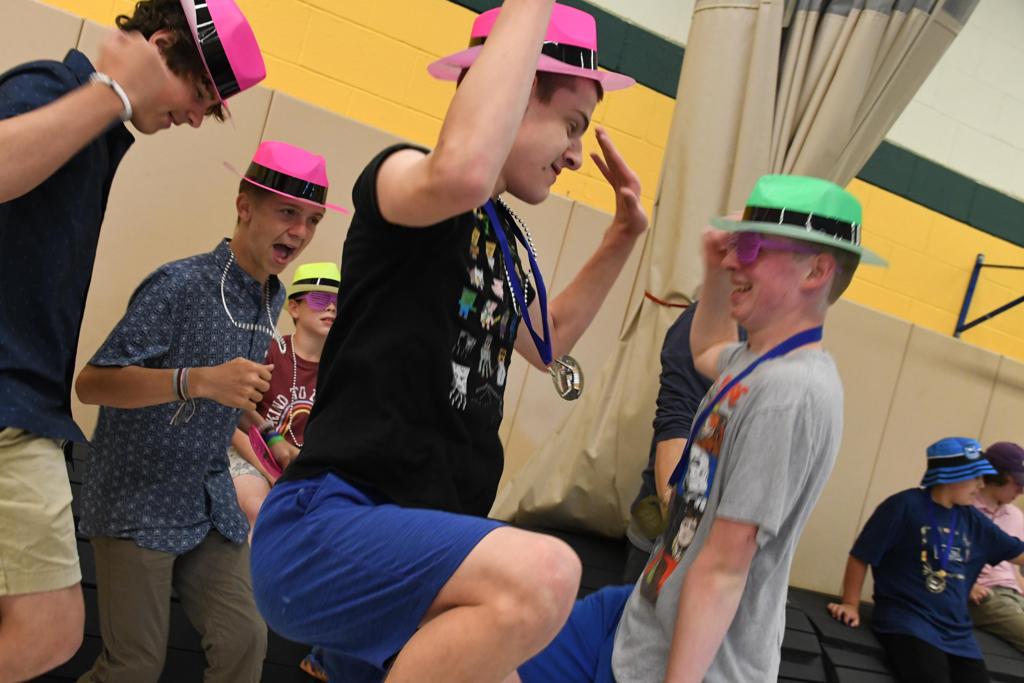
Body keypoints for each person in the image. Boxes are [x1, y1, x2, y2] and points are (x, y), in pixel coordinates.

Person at [250, 2, 649, 681]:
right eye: (571, 125)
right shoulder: (405, 177)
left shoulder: (500, 235)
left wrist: (623, 235)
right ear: (516, 87)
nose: (577, 155)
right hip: (331, 523)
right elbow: (462, 170)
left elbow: (546, 343)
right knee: (547, 572)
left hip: (422, 553)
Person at [518, 173, 886, 683]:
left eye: (753, 247)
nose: (736, 260)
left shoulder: (789, 393)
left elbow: (724, 571)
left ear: (817, 270)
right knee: (495, 654)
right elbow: (706, 350)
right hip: (639, 621)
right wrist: (714, 269)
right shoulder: (756, 362)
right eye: (736, 246)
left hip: (688, 664)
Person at [0, 1, 264, 677]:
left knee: (51, 628)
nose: (198, 118)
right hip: (19, 409)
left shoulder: (98, 137)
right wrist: (112, 91)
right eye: (199, 95)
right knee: (54, 628)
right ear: (161, 44)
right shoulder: (54, 88)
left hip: (29, 408)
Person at [73, 141, 340, 682]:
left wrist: (270, 435)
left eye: (312, 220)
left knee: (245, 641)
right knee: (134, 665)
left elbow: (232, 393)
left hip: (207, 498)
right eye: (287, 212)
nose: (300, 232)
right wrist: (196, 380)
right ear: (244, 207)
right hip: (136, 496)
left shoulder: (271, 296)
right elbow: (93, 383)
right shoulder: (178, 285)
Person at [827, 437, 1024, 683]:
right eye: (976, 477)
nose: (981, 484)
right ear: (952, 475)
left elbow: (1016, 552)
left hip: (957, 633)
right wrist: (850, 604)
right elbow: (861, 555)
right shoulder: (903, 506)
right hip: (909, 623)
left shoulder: (971, 518)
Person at [229, 261, 341, 535]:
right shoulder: (268, 353)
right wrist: (270, 472)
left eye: (338, 302)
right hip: (253, 454)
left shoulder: (341, 367)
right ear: (294, 307)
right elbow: (233, 420)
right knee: (260, 509)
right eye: (319, 298)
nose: (330, 307)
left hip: (305, 466)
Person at [968, 441, 1024, 653]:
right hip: (984, 593)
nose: (1021, 490)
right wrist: (967, 586)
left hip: (1012, 594)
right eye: (1017, 483)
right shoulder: (966, 508)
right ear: (997, 475)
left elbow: (1013, 571)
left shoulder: (1015, 515)